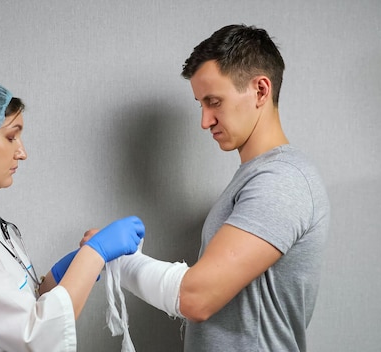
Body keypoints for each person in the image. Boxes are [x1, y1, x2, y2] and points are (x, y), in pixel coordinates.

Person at [101, 25, 330, 352]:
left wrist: (117, 259)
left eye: (214, 102)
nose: (205, 121)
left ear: (260, 91)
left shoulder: (282, 180)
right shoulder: (254, 177)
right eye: (201, 105)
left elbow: (196, 298)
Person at [0, 79, 145, 352]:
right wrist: (95, 254)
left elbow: (14, 308)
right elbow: (35, 335)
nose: (22, 152)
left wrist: (58, 277)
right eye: (11, 137)